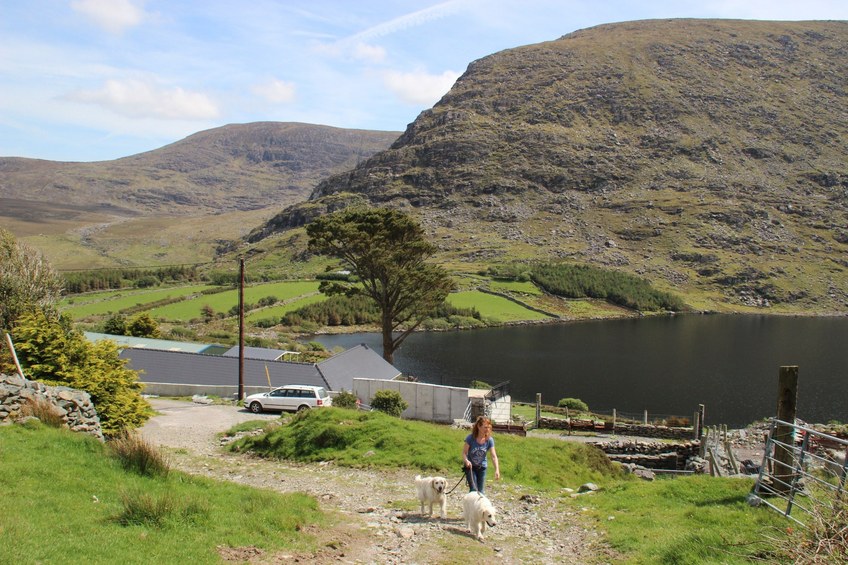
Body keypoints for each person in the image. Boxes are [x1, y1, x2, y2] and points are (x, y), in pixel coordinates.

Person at [462, 416, 500, 494]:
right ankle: (472, 505)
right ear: (479, 427)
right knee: (473, 490)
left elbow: (493, 456)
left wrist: (497, 469)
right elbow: (464, 453)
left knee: (481, 491)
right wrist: (466, 461)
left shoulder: (489, 440)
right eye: (485, 427)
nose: (487, 429)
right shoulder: (470, 438)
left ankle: (480, 506)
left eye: (489, 427)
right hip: (471, 468)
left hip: (482, 468)